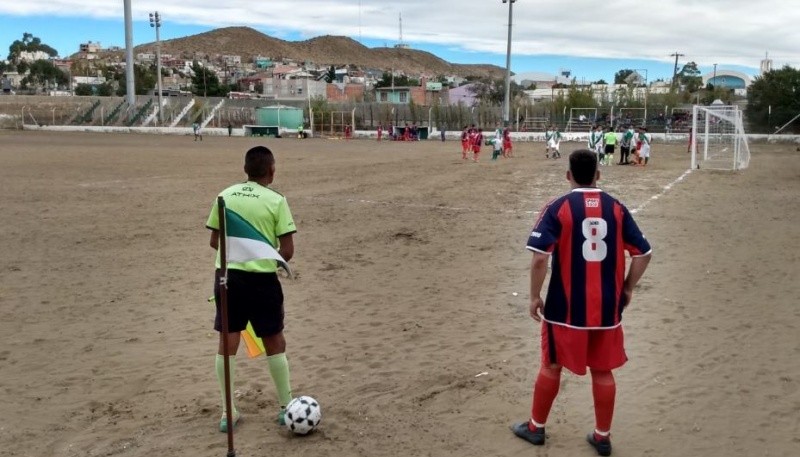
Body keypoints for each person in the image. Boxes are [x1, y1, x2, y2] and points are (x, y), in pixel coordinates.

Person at [512, 149, 652, 456]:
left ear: (568, 176)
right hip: (607, 310)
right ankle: (602, 437)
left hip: (564, 310)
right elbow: (643, 253)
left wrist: (535, 296)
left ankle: (536, 428)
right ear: (598, 175)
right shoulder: (616, 207)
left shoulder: (558, 206)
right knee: (603, 371)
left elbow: (539, 258)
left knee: (551, 365)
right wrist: (627, 288)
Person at [206, 146, 297, 433]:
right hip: (261, 282)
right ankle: (286, 407)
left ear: (246, 169)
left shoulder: (224, 196)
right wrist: (262, 252)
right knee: (274, 340)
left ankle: (227, 411)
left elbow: (214, 242)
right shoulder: (276, 201)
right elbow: (287, 251)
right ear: (271, 170)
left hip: (228, 278)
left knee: (227, 343)